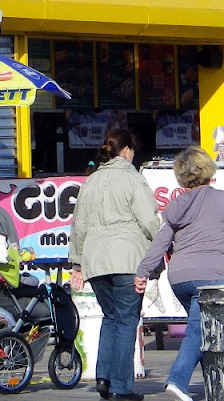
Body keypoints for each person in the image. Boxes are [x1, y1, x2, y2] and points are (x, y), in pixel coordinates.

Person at [134, 147, 224, 401]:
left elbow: (159, 242)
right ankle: (177, 380)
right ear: (208, 170)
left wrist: (143, 272)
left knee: (205, 332)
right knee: (200, 331)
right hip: (210, 277)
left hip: (179, 278)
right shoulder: (223, 199)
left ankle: (219, 387)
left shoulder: (175, 206)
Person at [69, 129, 159, 401]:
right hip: (127, 258)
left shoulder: (91, 181)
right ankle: (122, 387)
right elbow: (149, 220)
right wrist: (165, 246)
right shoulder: (133, 178)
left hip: (95, 261)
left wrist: (77, 264)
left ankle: (103, 377)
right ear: (127, 150)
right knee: (126, 321)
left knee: (110, 318)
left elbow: (79, 225)